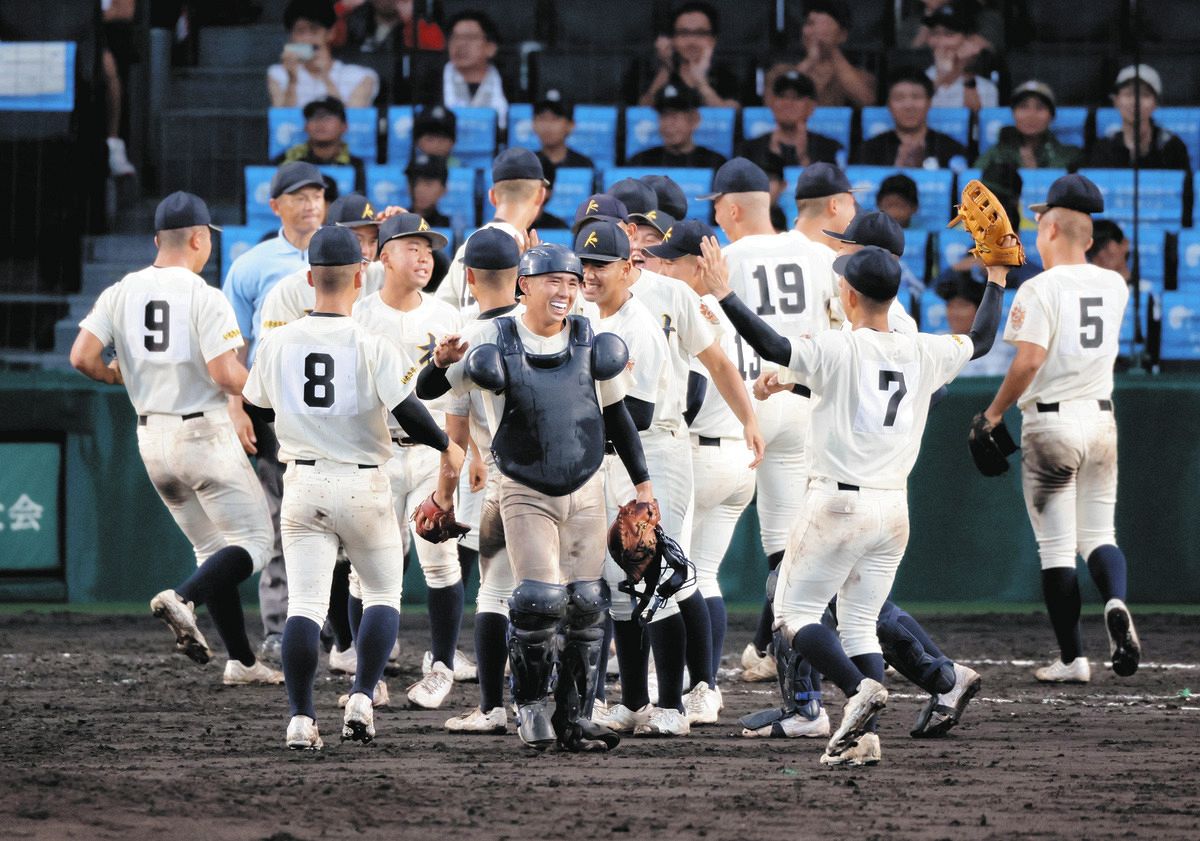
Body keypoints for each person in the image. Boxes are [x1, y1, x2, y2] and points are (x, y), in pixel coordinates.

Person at [699, 235, 1007, 765]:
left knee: (792, 615)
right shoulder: (924, 347)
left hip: (836, 505)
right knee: (860, 623)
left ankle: (857, 690)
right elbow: (980, 338)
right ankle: (864, 737)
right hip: (893, 510)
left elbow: (774, 347)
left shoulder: (840, 345)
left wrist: (726, 295)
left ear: (849, 294)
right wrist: (996, 276)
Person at [241, 224, 464, 749]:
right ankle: (363, 697)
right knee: (384, 592)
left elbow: (255, 406)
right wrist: (445, 447)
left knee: (306, 606)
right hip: (365, 482)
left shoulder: (276, 341)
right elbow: (408, 409)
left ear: (311, 276)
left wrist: (295, 427)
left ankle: (300, 718)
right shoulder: (370, 342)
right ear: (361, 276)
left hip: (304, 481)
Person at [433, 242, 655, 752]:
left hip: (586, 480)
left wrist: (641, 480)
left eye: (573, 282)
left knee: (589, 601)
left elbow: (616, 413)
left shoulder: (589, 335)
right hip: (522, 483)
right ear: (524, 285)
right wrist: (437, 359)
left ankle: (575, 713)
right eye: (553, 280)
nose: (566, 291)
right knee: (537, 599)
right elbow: (432, 389)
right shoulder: (491, 334)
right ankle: (531, 708)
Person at [69, 191, 280, 688]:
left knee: (213, 552)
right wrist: (273, 392)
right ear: (199, 239)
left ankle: (243, 663)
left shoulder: (121, 290)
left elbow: (81, 356)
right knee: (255, 543)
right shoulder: (203, 295)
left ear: (156, 240)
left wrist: (119, 376)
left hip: (152, 438)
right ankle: (183, 597)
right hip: (202, 432)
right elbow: (225, 372)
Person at [589, 195, 765, 738]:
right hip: (601, 453)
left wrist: (748, 419)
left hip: (657, 444)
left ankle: (674, 700)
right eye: (585, 261)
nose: (591, 272)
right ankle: (635, 701)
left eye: (602, 260)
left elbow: (717, 362)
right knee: (619, 580)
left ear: (630, 257)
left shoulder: (666, 299)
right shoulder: (577, 307)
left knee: (656, 571)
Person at [979, 173, 1141, 684]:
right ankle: (1115, 599)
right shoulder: (1115, 284)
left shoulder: (1039, 287)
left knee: (1055, 548)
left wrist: (993, 413)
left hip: (1050, 424)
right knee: (1099, 535)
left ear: (1046, 230)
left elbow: (1028, 362)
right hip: (1100, 419)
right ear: (1090, 239)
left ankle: (1073, 659)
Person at [349, 212, 469, 709]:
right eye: (412, 246)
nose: (424, 256)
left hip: (430, 451)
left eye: (429, 248)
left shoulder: (445, 314)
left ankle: (441, 667)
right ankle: (369, 674)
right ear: (383, 255)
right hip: (374, 451)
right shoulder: (357, 315)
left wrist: (464, 455)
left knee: (440, 559)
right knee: (365, 571)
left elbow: (463, 397)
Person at [642, 219, 756, 689]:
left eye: (671, 260)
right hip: (737, 459)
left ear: (698, 264)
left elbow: (692, 389)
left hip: (697, 455)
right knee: (702, 577)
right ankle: (703, 689)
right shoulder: (733, 304)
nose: (663, 267)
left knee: (669, 578)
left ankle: (664, 684)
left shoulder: (693, 306)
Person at [418, 229, 522, 734]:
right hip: (570, 477)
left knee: (494, 594)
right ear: (522, 276)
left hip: (505, 482)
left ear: (468, 277)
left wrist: (443, 495)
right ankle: (552, 703)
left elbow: (452, 433)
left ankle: (493, 707)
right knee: (562, 592)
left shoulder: (464, 336)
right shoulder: (555, 322)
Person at [223, 160, 326, 661]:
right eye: (300, 196)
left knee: (340, 519)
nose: (310, 204)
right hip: (273, 410)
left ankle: (333, 629)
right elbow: (231, 346)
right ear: (276, 205)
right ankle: (280, 627)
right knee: (284, 520)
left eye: (317, 196)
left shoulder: (345, 253)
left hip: (336, 411)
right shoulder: (253, 264)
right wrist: (235, 406)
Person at [437, 148, 547, 312]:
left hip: (467, 336)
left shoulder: (467, 246)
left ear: (492, 196)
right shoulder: (529, 254)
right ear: (540, 196)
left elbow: (439, 312)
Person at [268, 0, 379, 108]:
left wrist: (326, 77)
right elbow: (282, 123)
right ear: (291, 37)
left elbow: (352, 123)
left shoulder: (361, 77)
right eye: (300, 31)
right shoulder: (278, 74)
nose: (307, 39)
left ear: (331, 33)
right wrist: (292, 81)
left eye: (314, 30)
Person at [854, 69, 968, 168]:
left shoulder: (952, 149)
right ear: (888, 105)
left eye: (916, 97)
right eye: (899, 98)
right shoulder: (870, 150)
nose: (908, 106)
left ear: (929, 102)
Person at [639, 1, 741, 109]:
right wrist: (666, 69)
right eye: (684, 33)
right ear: (673, 39)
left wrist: (701, 83)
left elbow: (730, 117)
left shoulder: (726, 74)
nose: (691, 41)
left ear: (713, 40)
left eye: (700, 33)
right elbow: (642, 114)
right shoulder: (653, 71)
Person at [1090, 65, 1191, 171]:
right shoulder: (1103, 148)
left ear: (1156, 103)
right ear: (1116, 100)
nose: (1135, 102)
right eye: (1128, 94)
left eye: (1144, 95)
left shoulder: (1173, 147)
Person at [736, 70, 843, 167]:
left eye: (796, 97)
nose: (788, 103)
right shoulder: (749, 149)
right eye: (782, 96)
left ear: (811, 106)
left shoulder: (829, 148)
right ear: (771, 103)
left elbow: (833, 185)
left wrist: (803, 158)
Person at [975, 81, 1082, 171]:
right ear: (1013, 114)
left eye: (1040, 107)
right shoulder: (995, 154)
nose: (1031, 115)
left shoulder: (1070, 156)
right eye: (1023, 107)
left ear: (1051, 116)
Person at [790, 0, 876, 107]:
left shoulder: (860, 76)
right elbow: (779, 97)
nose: (815, 32)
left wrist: (831, 47)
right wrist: (810, 61)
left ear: (842, 35)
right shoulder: (782, 71)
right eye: (809, 24)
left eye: (824, 26)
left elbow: (867, 100)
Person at [272, 97, 367, 194]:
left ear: (344, 126)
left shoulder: (355, 165)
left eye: (327, 118)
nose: (320, 123)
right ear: (305, 127)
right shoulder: (287, 161)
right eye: (313, 118)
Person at [629, 84, 727, 170]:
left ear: (694, 120)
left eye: (674, 117)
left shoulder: (715, 163)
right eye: (663, 116)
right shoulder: (641, 162)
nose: (668, 124)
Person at [923, 3, 998, 111]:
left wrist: (966, 72)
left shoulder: (986, 88)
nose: (941, 42)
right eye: (935, 34)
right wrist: (940, 78)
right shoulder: (915, 81)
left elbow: (976, 122)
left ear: (967, 40)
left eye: (949, 34)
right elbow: (911, 117)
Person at [937, 275, 1014, 376]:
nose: (954, 313)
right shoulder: (938, 340)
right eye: (950, 306)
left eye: (962, 306)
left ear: (980, 310)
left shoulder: (1002, 347)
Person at [442, 10, 508, 125]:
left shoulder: (510, 86)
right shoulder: (430, 83)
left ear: (490, 48)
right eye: (455, 37)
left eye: (470, 37)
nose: (460, 44)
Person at [340, 0, 445, 53]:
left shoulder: (422, 25)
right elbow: (328, 45)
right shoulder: (354, 19)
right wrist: (342, 8)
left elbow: (434, 56)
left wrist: (411, 22)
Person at [532, 90, 595, 171]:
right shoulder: (525, 165)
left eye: (554, 119)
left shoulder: (583, 165)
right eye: (542, 118)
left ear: (571, 125)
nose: (547, 126)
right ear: (533, 124)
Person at [406, 153, 451, 228]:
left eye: (428, 184)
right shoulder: (397, 225)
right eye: (415, 183)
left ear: (444, 189)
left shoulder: (450, 226)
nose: (419, 189)